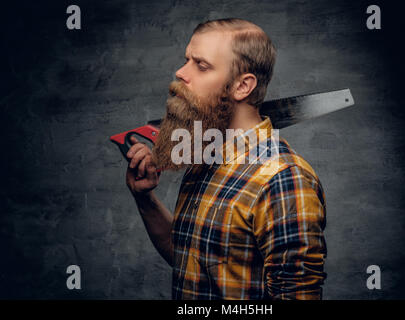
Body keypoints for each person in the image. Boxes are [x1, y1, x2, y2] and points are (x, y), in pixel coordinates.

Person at [125, 18, 327, 299]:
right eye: (186, 60)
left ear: (243, 86)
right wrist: (144, 198)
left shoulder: (282, 179)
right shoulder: (205, 158)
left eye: (202, 65)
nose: (181, 72)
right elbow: (191, 259)